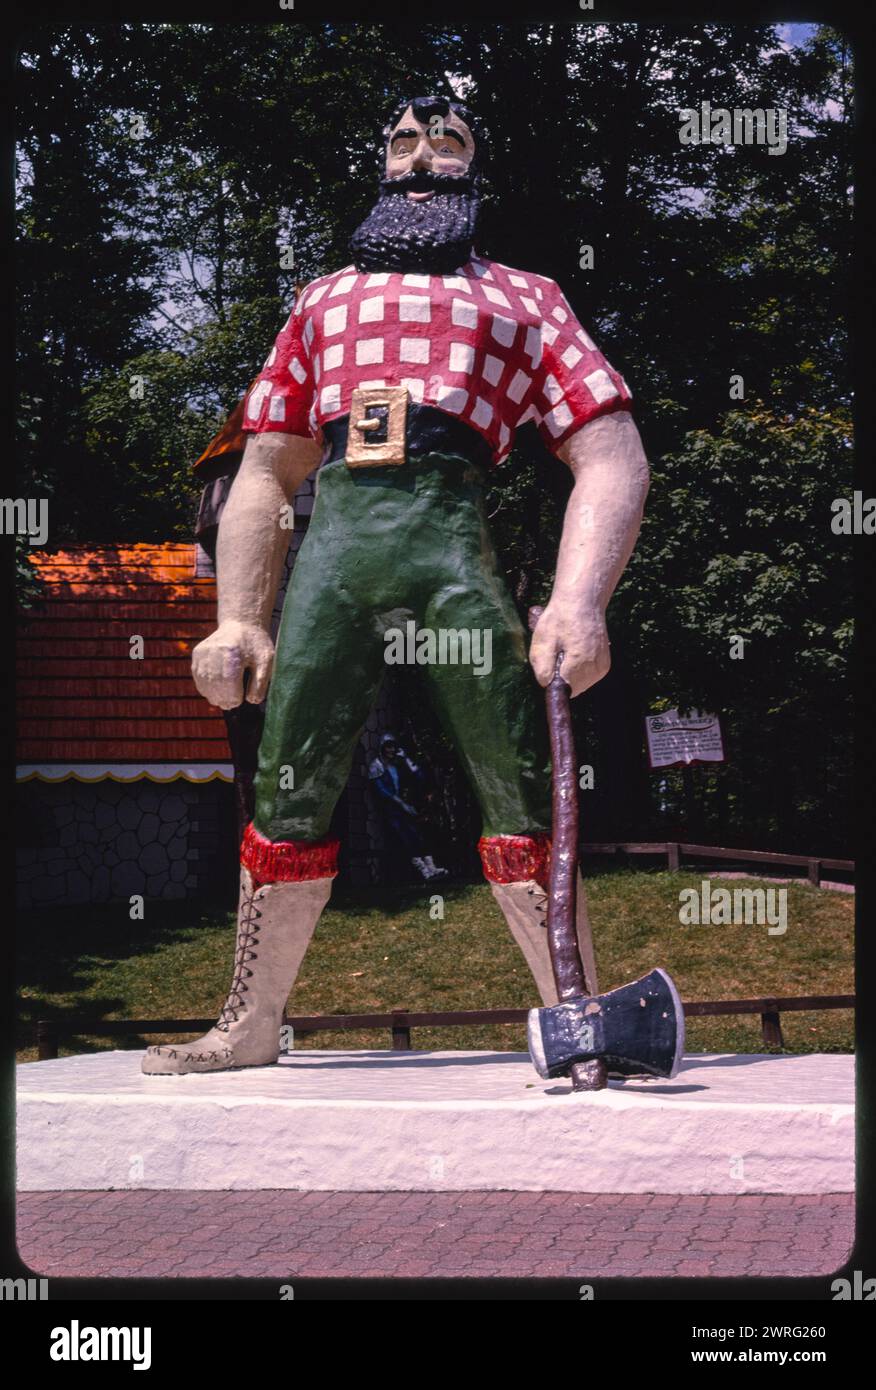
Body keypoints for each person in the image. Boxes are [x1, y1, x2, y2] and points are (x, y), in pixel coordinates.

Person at [143, 94, 650, 1075]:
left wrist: (580, 599)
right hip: (335, 559)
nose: (421, 159)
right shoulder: (321, 301)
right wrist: (241, 619)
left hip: (455, 557)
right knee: (289, 779)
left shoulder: (527, 297)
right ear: (382, 163)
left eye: (447, 141)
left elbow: (613, 453)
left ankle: (576, 1019)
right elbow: (265, 469)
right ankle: (250, 1021)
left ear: (475, 166)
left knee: (520, 780)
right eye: (403, 142)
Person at [368, 733, 449, 882]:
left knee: (419, 835)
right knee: (407, 838)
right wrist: (402, 804)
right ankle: (423, 871)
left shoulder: (398, 764)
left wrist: (406, 759)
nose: (391, 750)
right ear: (382, 748)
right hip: (391, 809)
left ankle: (431, 867)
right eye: (388, 747)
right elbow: (383, 790)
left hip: (407, 807)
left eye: (393, 746)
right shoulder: (376, 766)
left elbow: (419, 776)